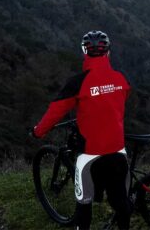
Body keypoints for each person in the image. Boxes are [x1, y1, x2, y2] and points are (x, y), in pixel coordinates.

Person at [33, 30, 131, 230]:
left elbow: (55, 112)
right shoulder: (120, 79)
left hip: (90, 154)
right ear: (108, 52)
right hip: (117, 148)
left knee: (83, 203)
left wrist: (38, 132)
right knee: (120, 201)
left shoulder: (77, 83)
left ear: (84, 52)